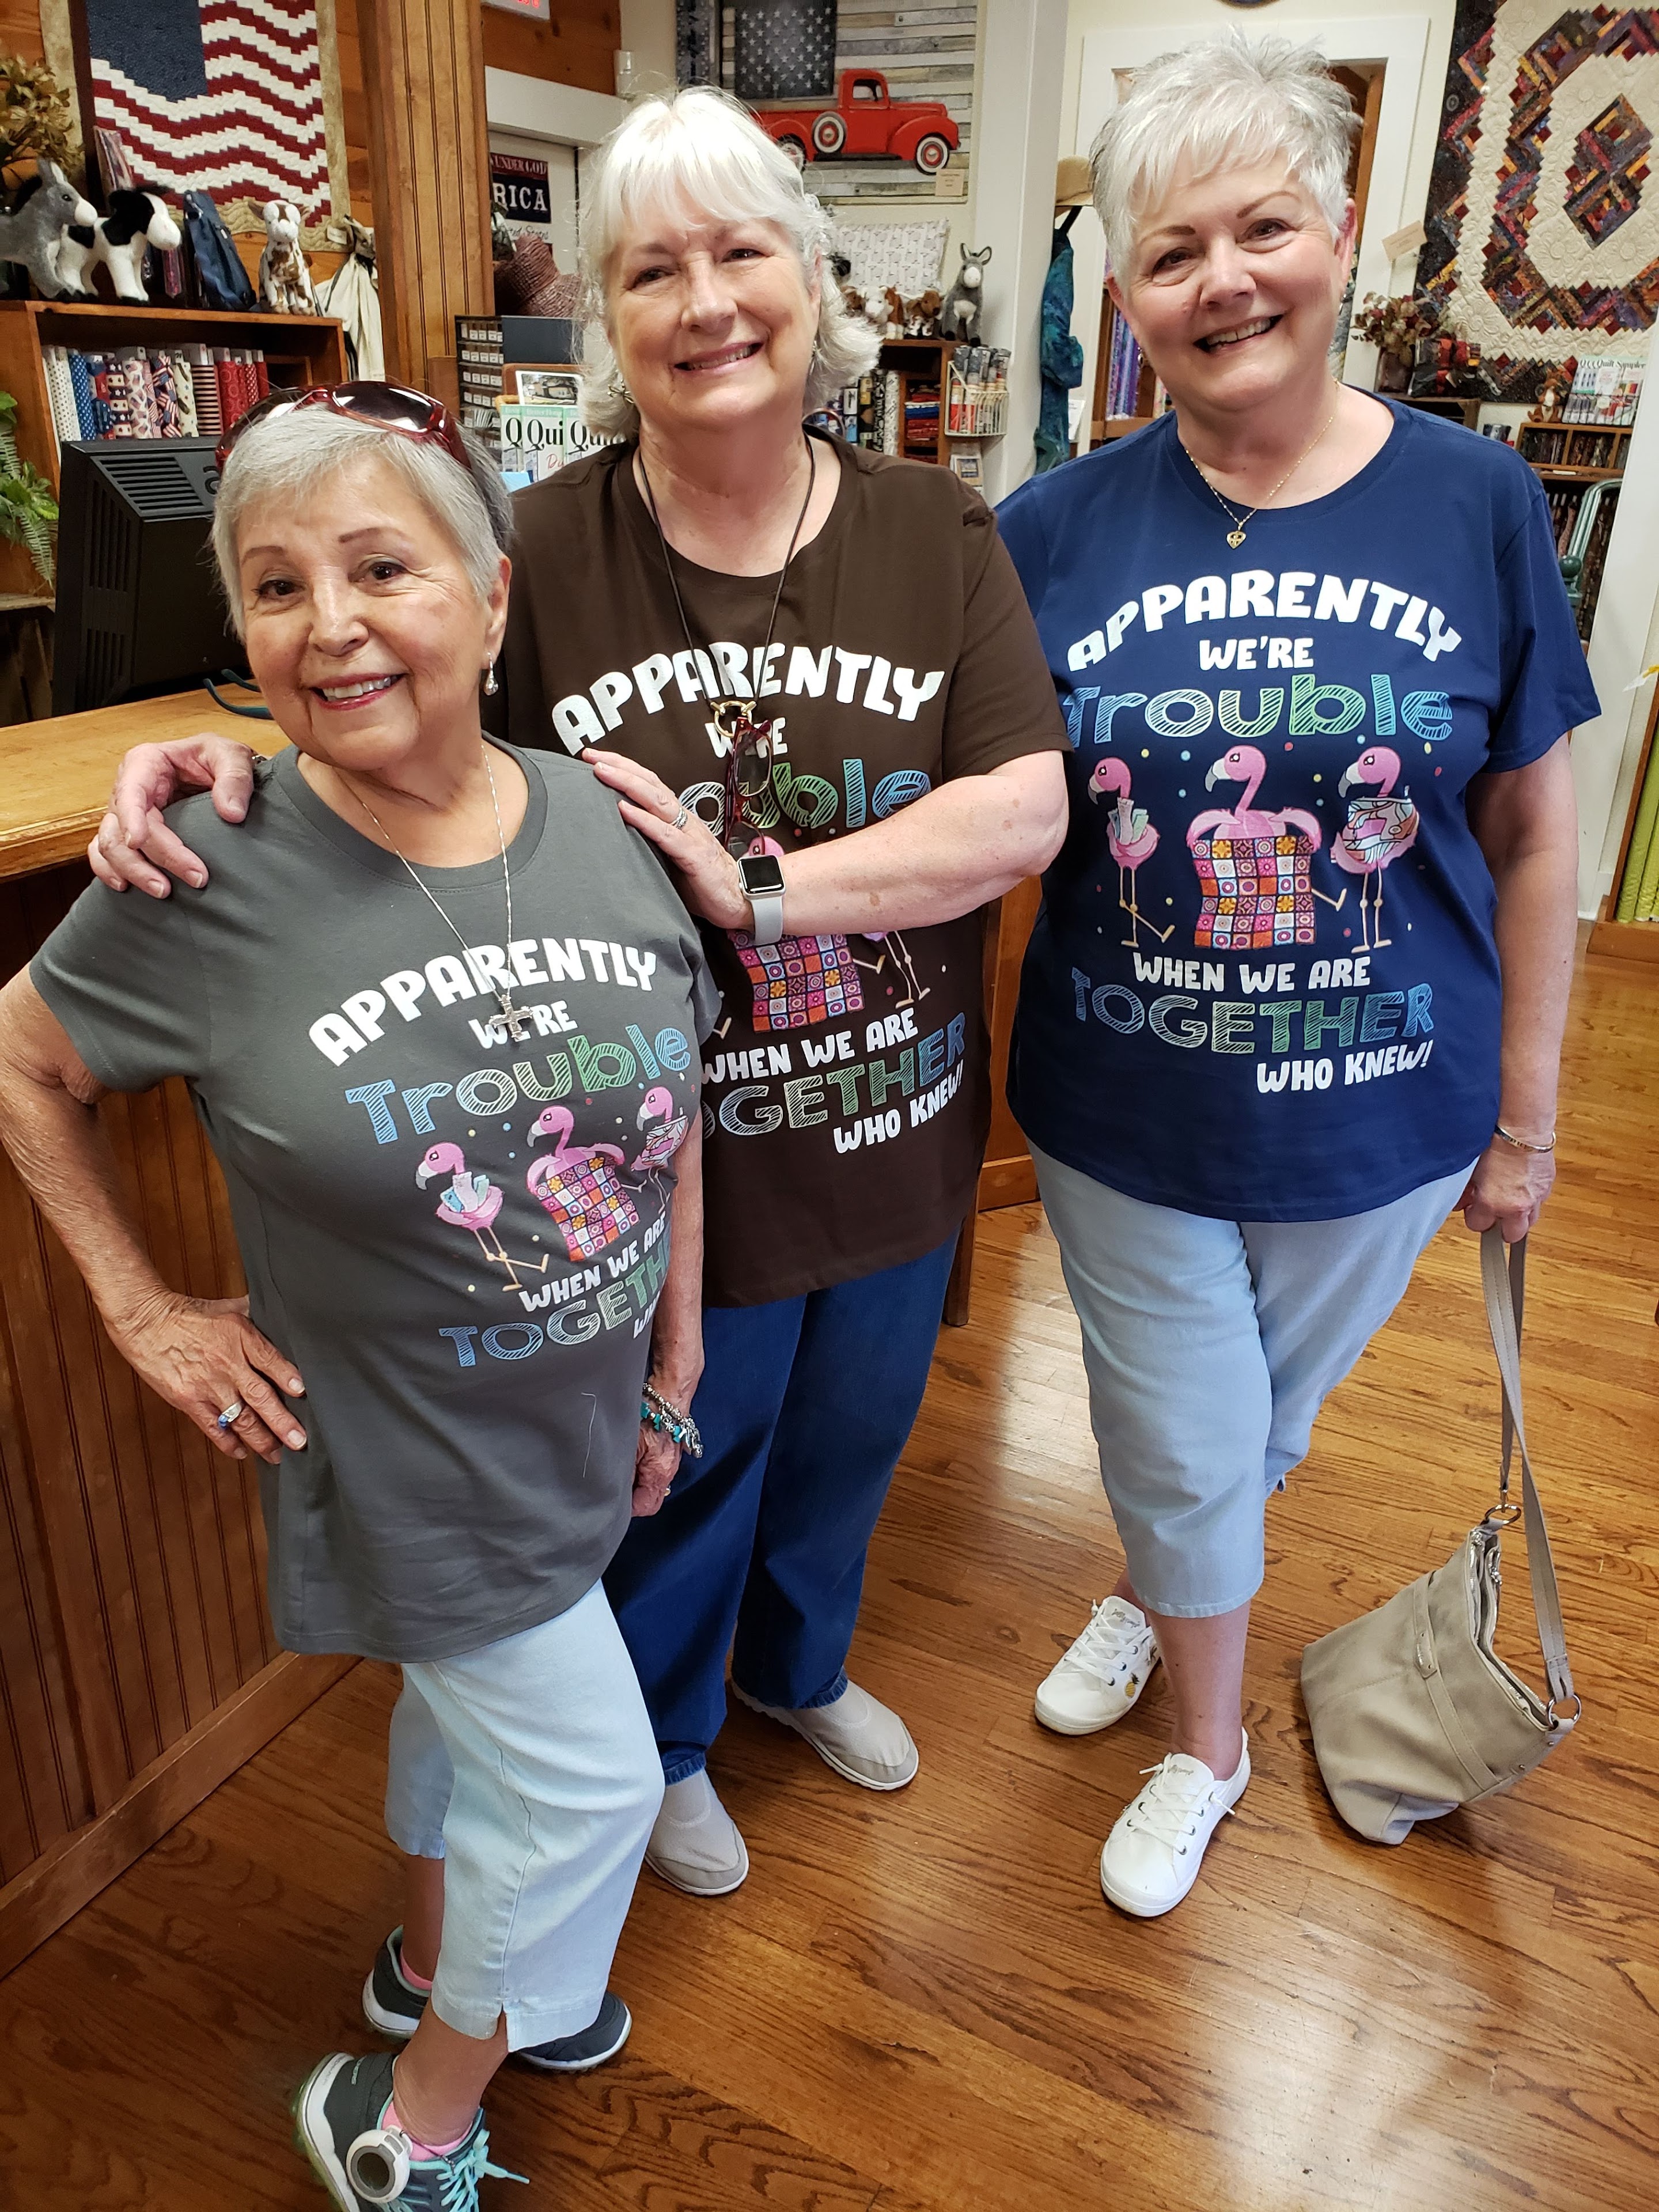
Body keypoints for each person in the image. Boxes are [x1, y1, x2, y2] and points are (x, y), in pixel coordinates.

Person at [84, 88, 1070, 1900]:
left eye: (740, 252)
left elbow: (1022, 807)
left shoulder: (942, 527)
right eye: (650, 269)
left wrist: (755, 887)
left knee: (850, 1440)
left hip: (894, 1124)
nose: (704, 301)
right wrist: (182, 758)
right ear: (605, 319)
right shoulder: (534, 547)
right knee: (681, 1467)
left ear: (812, 276)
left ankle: (796, 1675)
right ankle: (670, 1734)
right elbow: (371, 692)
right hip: (648, 1154)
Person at [0, 384, 715, 2210]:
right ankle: (417, 2116)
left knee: (460, 1728)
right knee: (589, 1795)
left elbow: (666, 1100)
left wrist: (674, 1354)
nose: (330, 623)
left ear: (488, 598)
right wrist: (141, 1309)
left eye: (380, 566)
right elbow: (21, 1059)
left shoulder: (599, 814)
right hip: (405, 1460)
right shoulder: (205, 867)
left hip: (574, 1423)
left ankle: (423, 1950)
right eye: (275, 584)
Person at [995, 32, 1596, 1920]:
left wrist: (1528, 1120)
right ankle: (1213, 1743)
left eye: (1266, 228)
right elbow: (972, 809)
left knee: (1255, 1425)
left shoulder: (1482, 503)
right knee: (1181, 1420)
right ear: (1124, 294)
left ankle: (1153, 1591)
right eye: (1173, 251)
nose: (1224, 281)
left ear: (1346, 238)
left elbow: (1535, 839)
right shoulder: (1044, 533)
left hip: (1397, 1110)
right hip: (1124, 1098)